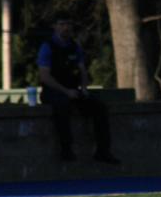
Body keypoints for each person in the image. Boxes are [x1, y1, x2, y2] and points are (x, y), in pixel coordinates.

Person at [36, 14, 119, 164]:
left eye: (68, 24)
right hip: (54, 91)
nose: (65, 28)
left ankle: (103, 151)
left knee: (99, 108)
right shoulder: (47, 47)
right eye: (61, 24)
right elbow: (45, 76)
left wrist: (84, 89)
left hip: (73, 90)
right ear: (55, 27)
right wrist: (65, 91)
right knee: (62, 107)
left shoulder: (74, 47)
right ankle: (66, 150)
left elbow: (82, 70)